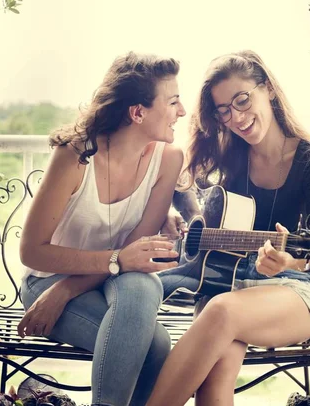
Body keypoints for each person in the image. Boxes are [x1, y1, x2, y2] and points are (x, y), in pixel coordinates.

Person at [147, 49, 310, 406]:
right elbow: (176, 182)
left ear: (267, 89)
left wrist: (289, 261)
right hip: (222, 279)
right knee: (214, 378)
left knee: (220, 310)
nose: (237, 117)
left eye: (242, 100)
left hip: (289, 292)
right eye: (224, 110)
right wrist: (181, 219)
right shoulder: (226, 154)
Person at [18, 51, 186, 406]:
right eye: (172, 102)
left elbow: (135, 256)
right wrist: (62, 286)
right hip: (47, 281)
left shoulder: (168, 160)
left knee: (143, 284)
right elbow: (31, 251)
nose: (182, 112)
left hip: (100, 281)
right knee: (156, 346)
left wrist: (70, 289)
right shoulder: (75, 156)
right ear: (138, 112)